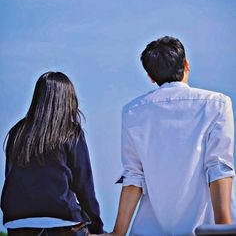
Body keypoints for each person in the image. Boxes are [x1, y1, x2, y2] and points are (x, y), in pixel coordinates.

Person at [101, 36, 235, 236]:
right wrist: (224, 229)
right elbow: (219, 169)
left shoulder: (132, 111)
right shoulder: (217, 104)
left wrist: (117, 233)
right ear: (186, 65)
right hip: (199, 230)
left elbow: (134, 177)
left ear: (151, 77)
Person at [1, 71, 104, 236]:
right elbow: (83, 185)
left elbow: (10, 177)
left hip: (17, 222)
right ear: (67, 99)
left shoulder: (17, 132)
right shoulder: (70, 132)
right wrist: (97, 227)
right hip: (62, 221)